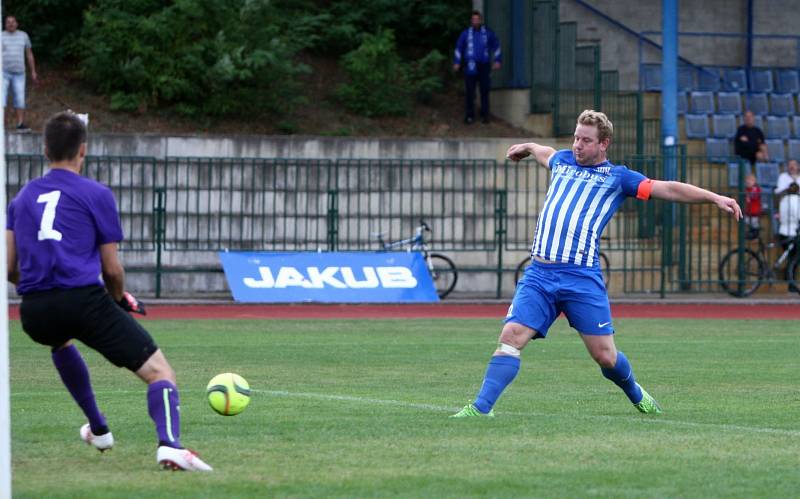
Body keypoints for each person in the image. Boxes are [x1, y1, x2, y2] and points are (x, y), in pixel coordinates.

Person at [451, 110, 742, 418]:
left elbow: (666, 188)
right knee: (511, 337)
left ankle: (636, 392)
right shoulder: (562, 161)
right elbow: (545, 153)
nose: (578, 145)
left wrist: (713, 197)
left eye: (586, 141)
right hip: (539, 274)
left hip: (581, 278)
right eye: (576, 138)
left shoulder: (618, 178)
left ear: (604, 144)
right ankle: (481, 409)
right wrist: (527, 146)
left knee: (605, 356)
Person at [6, 111, 212, 471]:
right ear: (82, 150)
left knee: (60, 340)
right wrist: (119, 300)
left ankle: (99, 429)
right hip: (84, 301)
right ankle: (170, 445)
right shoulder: (96, 194)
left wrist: (38, 288)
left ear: (44, 149)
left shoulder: (21, 199)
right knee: (159, 372)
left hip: (35, 310)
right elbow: (112, 269)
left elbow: (9, 267)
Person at [452, 10, 501, 125]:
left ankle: (485, 116)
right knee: (470, 91)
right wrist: (457, 62)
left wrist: (498, 60)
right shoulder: (465, 34)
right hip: (470, 65)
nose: (475, 21)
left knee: (485, 90)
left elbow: (496, 46)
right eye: (473, 19)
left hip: (484, 65)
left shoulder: (487, 33)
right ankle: (469, 116)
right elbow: (459, 48)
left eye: (477, 19)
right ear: (471, 21)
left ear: (480, 20)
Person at [2, 15, 37, 131]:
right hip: (3, 72)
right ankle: (2, 125)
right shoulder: (1, 36)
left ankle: (20, 124)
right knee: (2, 99)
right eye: (8, 22)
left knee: (20, 99)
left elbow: (29, 54)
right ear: (5, 24)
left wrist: (33, 71)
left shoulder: (23, 36)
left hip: (19, 73)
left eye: (13, 22)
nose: (11, 24)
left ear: (17, 23)